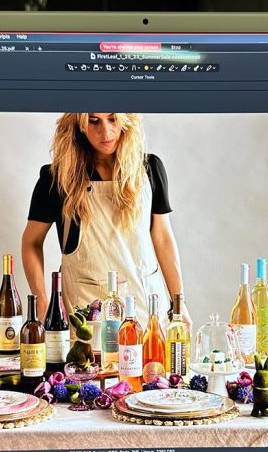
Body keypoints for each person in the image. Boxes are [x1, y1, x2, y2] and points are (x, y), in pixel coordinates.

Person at [22, 112, 190, 326]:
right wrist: (42, 303)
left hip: (144, 303)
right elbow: (31, 242)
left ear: (126, 120)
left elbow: (163, 238)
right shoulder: (57, 179)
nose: (106, 131)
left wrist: (179, 303)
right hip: (86, 308)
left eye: (112, 119)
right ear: (79, 125)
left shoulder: (149, 169)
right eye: (93, 121)